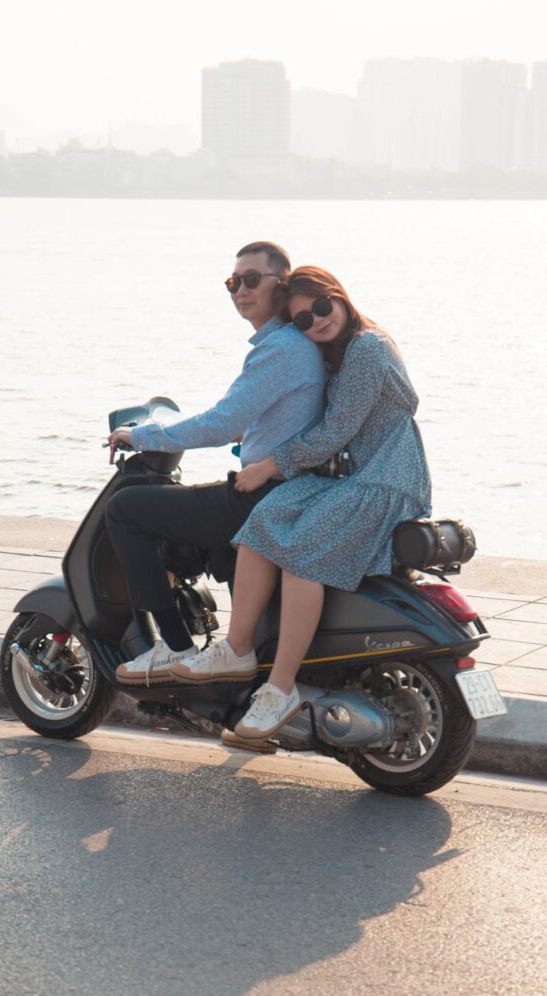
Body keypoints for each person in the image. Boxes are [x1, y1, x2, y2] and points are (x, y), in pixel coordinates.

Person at [171, 266, 432, 739]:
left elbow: (335, 431)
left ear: (341, 297)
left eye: (321, 307)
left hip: (385, 480)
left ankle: (281, 687)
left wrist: (269, 465)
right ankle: (238, 647)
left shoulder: (369, 348)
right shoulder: (339, 351)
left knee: (302, 555)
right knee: (263, 521)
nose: (317, 321)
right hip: (351, 477)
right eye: (303, 320)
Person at [105, 242, 326, 685]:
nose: (239, 291)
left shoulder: (279, 348)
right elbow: (267, 413)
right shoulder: (294, 344)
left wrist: (141, 435)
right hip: (287, 486)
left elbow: (221, 422)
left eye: (250, 280)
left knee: (126, 508)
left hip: (264, 494)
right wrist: (257, 430)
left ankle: (174, 646)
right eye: (232, 283)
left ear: (280, 285)